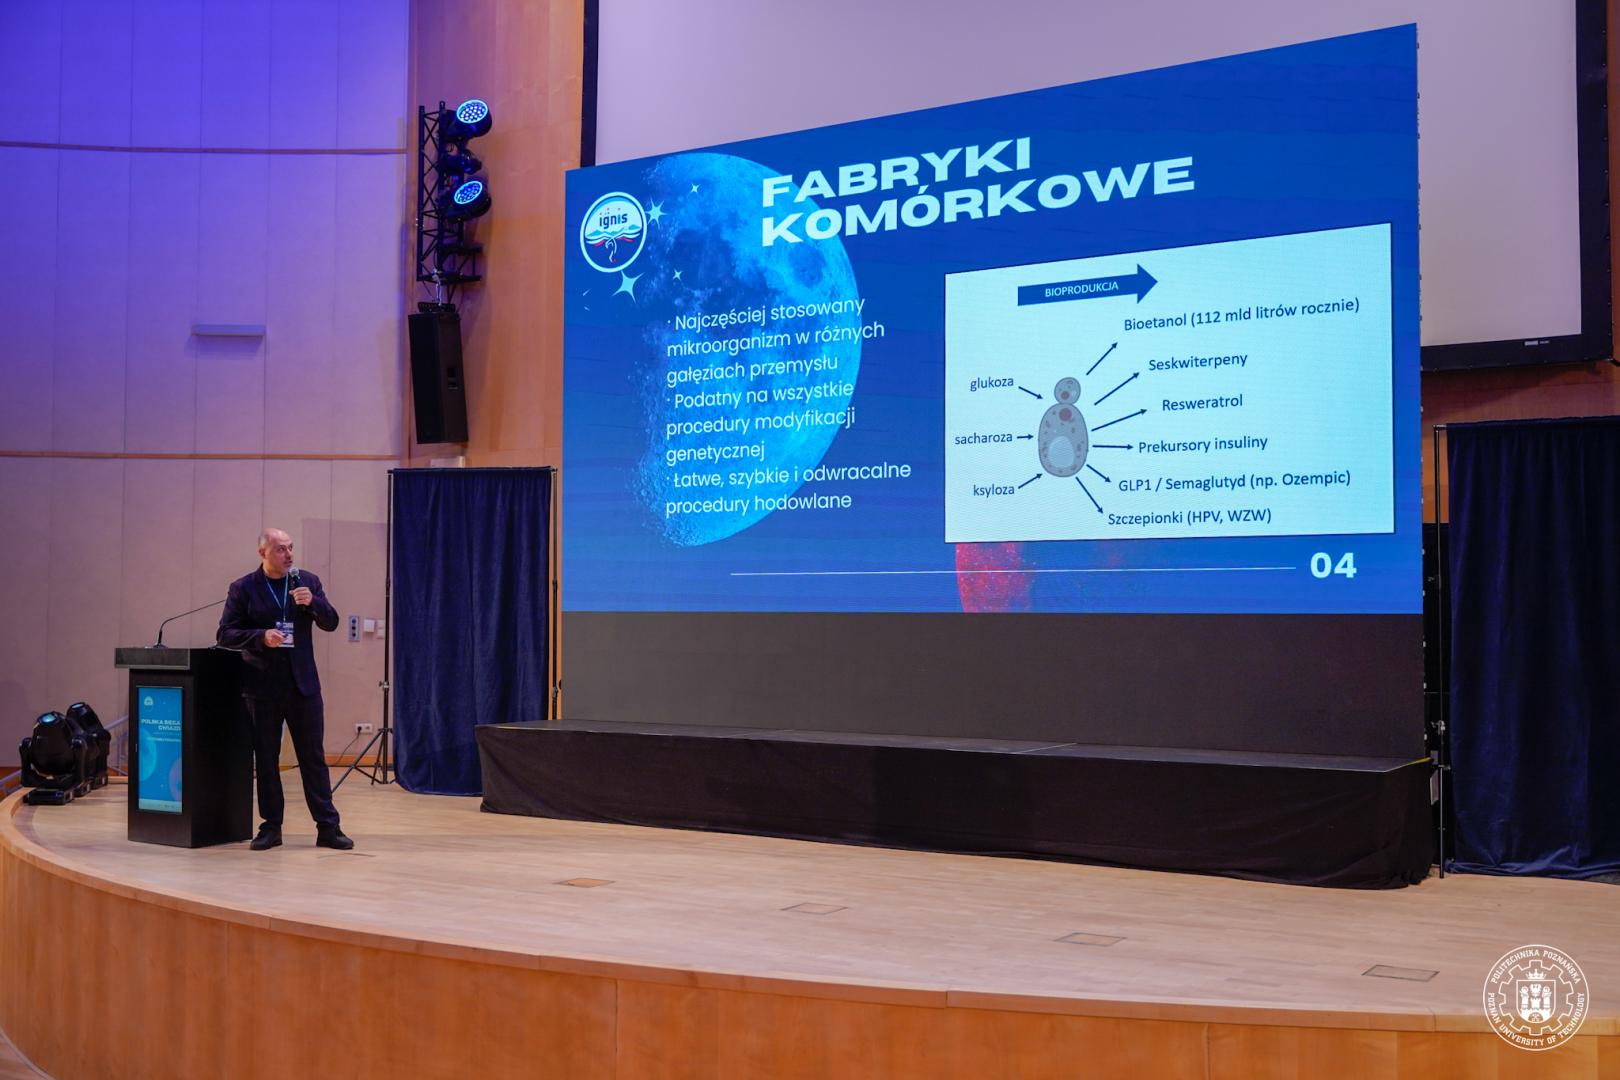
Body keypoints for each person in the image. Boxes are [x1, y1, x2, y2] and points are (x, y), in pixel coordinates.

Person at [216, 528, 353, 850]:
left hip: (303, 686)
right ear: (262, 553)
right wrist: (260, 636)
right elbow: (225, 634)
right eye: (280, 549)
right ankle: (271, 827)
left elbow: (331, 622)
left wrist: (314, 602)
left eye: (291, 548)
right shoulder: (244, 588)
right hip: (261, 687)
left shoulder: (307, 581)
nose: (289, 554)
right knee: (266, 760)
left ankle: (328, 827)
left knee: (313, 758)